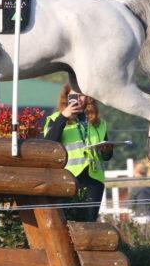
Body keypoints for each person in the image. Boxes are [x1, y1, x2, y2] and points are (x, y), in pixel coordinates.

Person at [43, 85, 113, 222]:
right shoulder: (55, 119)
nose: (79, 99)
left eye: (82, 95)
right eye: (74, 96)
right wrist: (63, 117)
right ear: (66, 98)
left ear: (88, 97)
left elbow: (106, 157)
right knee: (66, 222)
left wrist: (107, 151)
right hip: (67, 178)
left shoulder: (99, 123)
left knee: (89, 223)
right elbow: (49, 145)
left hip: (94, 180)